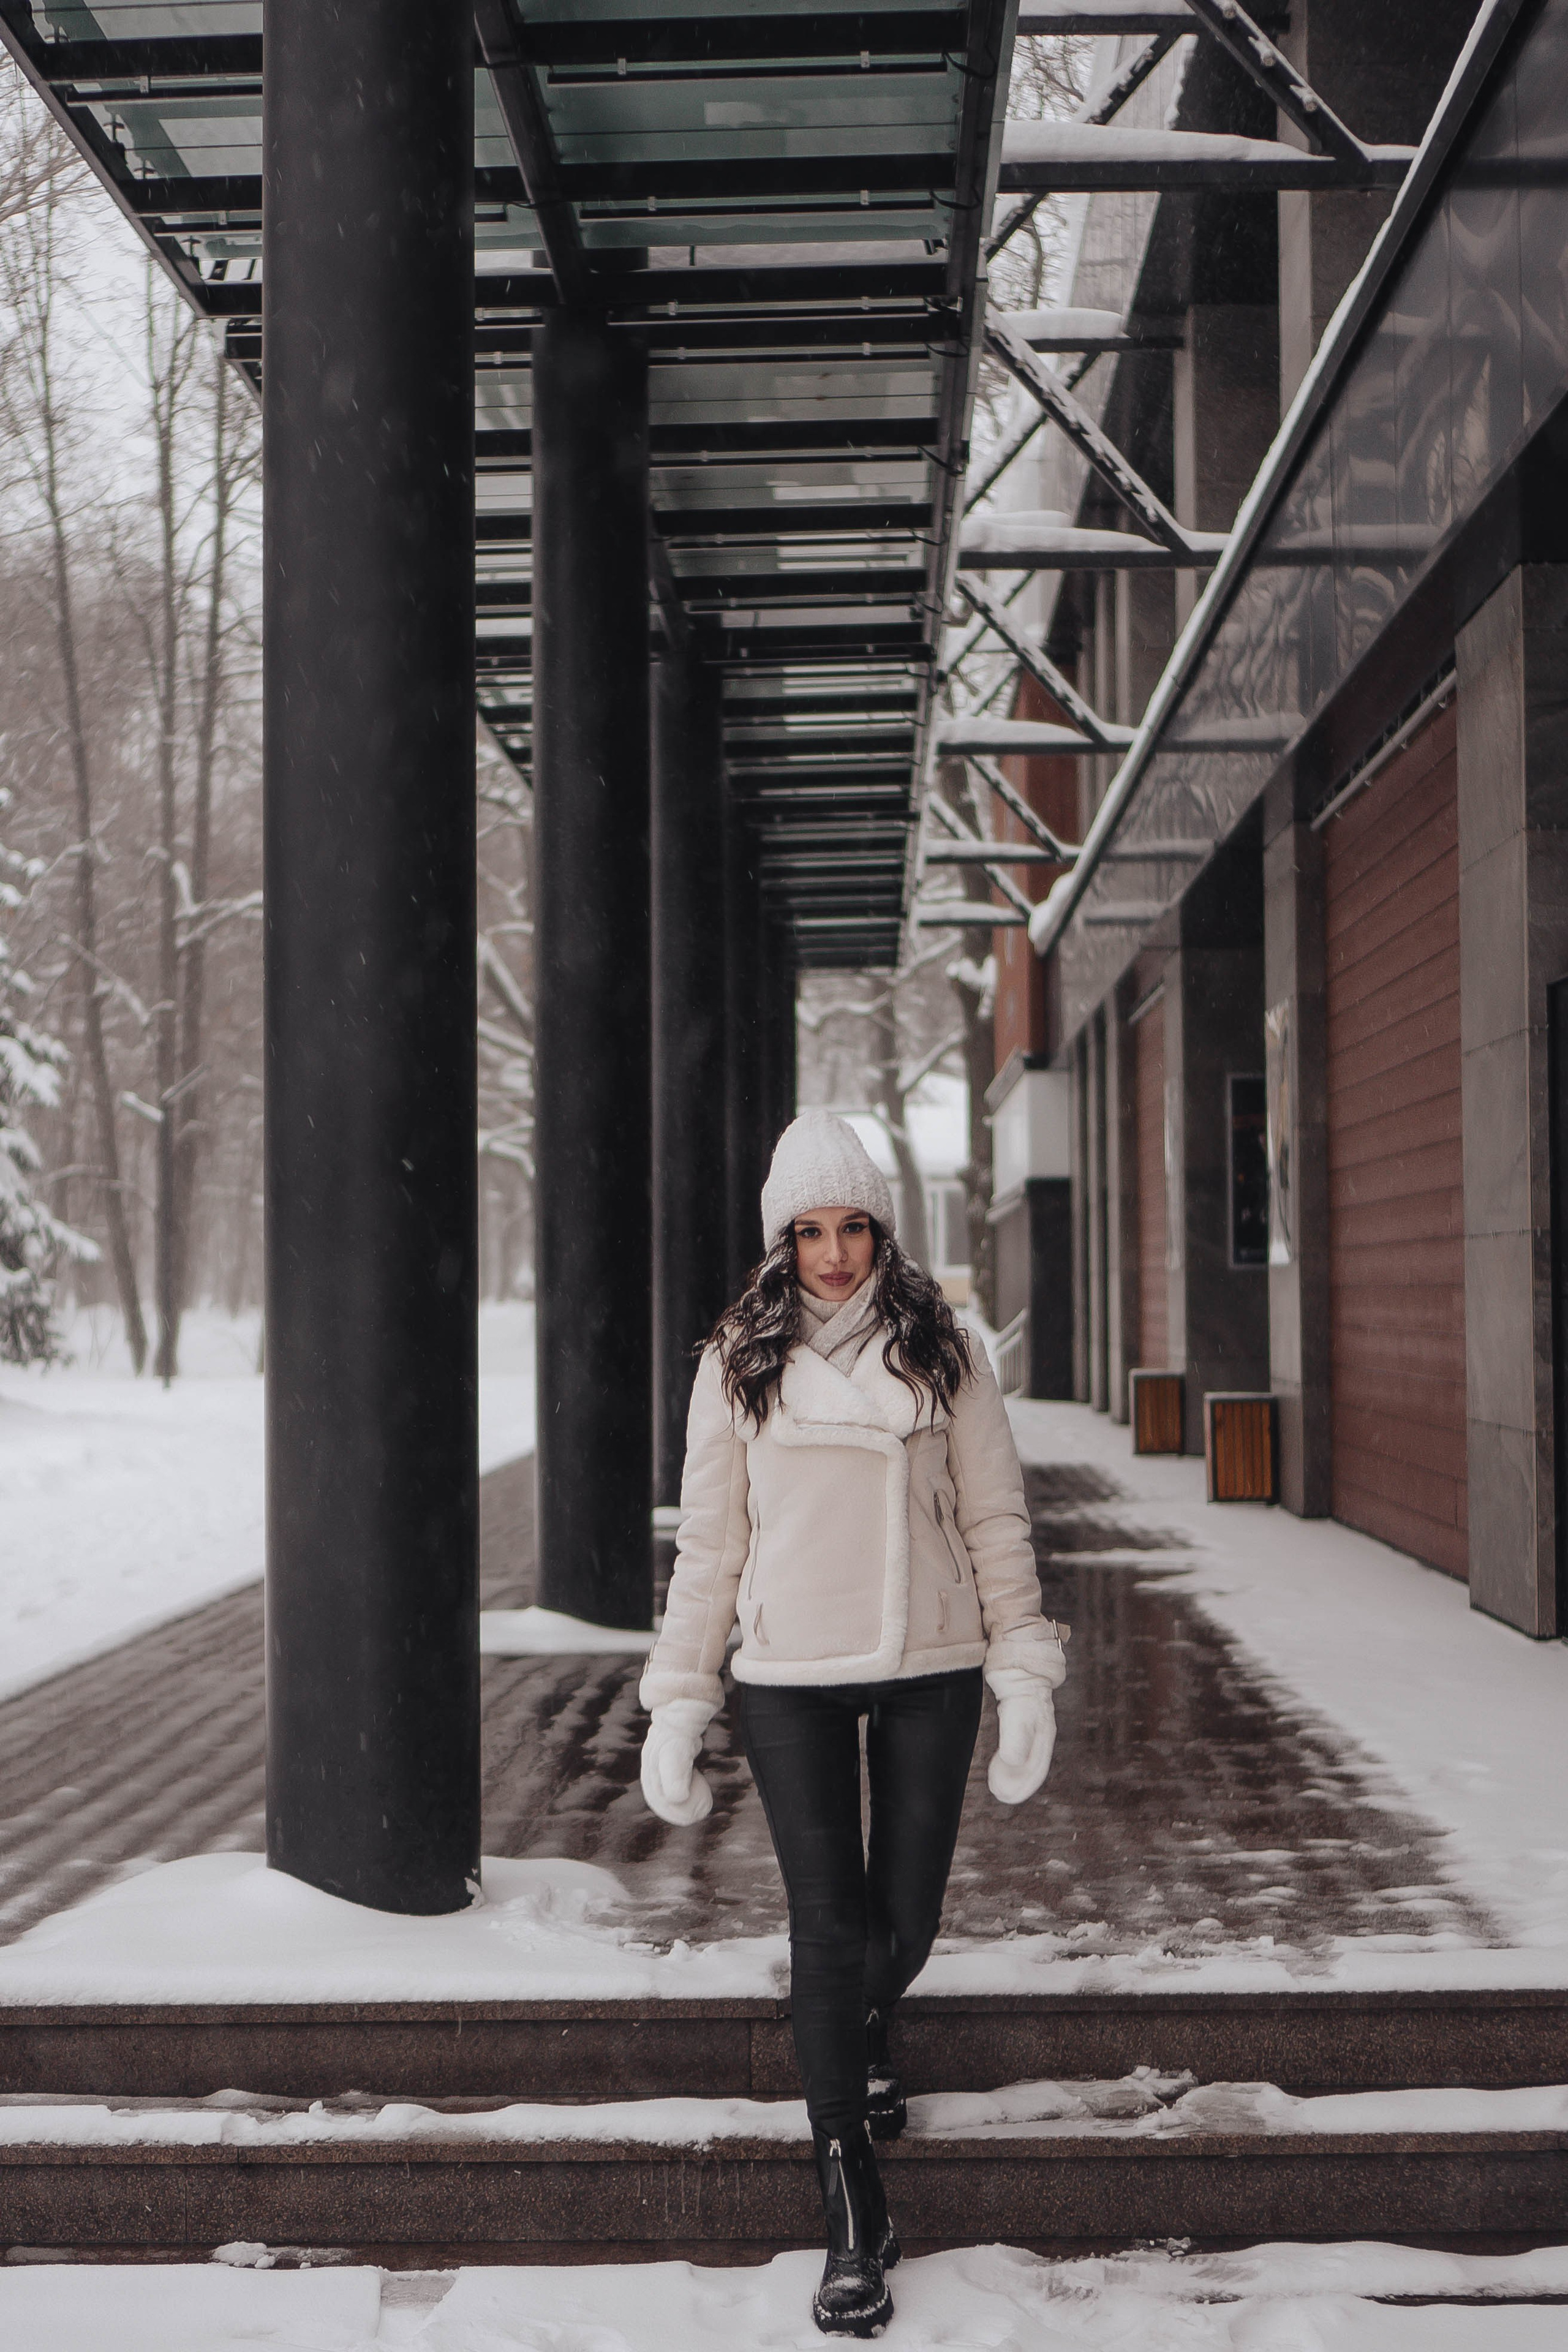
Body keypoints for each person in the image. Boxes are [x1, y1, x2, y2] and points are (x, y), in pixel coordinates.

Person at [638, 1110, 1068, 2339]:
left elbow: (994, 1518)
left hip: (930, 1659)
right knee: (827, 1927)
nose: (833, 1253)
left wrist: (1022, 1670)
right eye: (810, 1230)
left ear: (881, 1225)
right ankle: (847, 2202)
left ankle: (860, 2026)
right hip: (787, 1672)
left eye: (852, 1225)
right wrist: (681, 1697)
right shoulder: (736, 1360)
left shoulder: (945, 1344)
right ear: (784, 1238)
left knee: (905, 1918)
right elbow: (710, 1549)